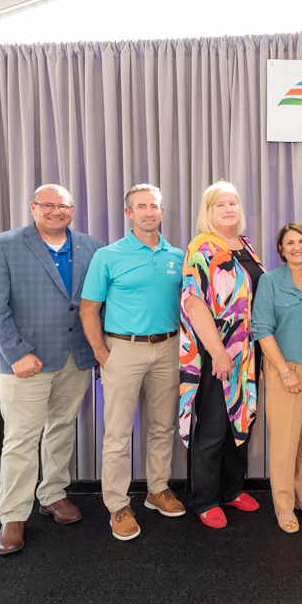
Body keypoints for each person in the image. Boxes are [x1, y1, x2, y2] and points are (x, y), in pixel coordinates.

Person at [0, 184, 104, 555]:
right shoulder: (2, 245)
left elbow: (97, 301)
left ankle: (52, 493)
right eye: (47, 205)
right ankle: (13, 514)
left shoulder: (92, 246)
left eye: (62, 205)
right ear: (33, 208)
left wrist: (99, 348)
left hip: (76, 357)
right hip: (26, 362)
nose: (55, 211)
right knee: (20, 439)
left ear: (73, 209)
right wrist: (16, 353)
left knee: (62, 429)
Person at [80, 184, 186, 541]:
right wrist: (101, 354)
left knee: (162, 426)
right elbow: (89, 308)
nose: (148, 212)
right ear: (129, 213)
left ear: (161, 210)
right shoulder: (109, 255)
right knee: (118, 433)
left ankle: (157, 490)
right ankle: (117, 505)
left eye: (154, 206)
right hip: (123, 350)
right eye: (141, 206)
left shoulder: (177, 254)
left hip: (168, 348)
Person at [179, 181, 265, 529]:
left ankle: (232, 490)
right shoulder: (202, 246)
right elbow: (194, 302)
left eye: (233, 203)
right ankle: (205, 500)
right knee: (214, 426)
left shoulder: (244, 245)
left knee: (240, 420)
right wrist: (218, 352)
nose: (229, 209)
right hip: (215, 353)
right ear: (208, 211)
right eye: (220, 205)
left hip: (246, 354)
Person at [252, 223, 302, 534]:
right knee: (285, 441)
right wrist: (285, 371)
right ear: (281, 249)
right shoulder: (271, 281)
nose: (297, 246)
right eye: (289, 243)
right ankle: (284, 506)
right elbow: (261, 329)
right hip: (284, 364)